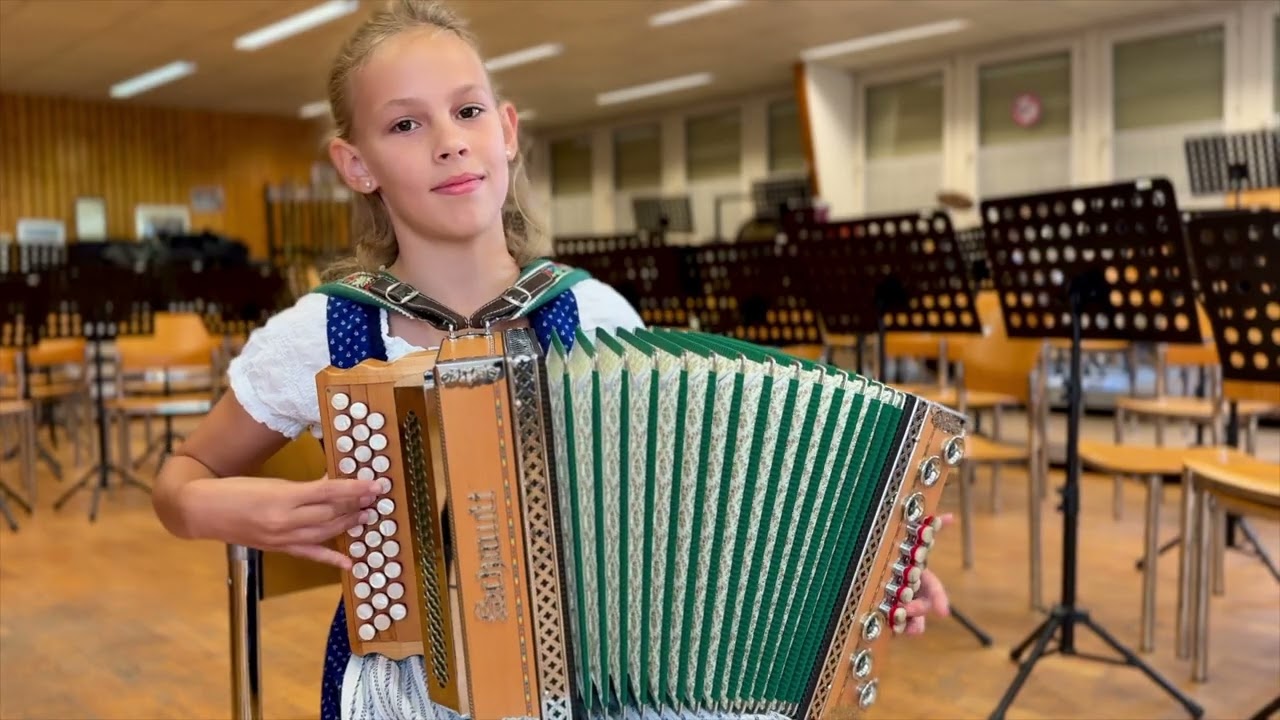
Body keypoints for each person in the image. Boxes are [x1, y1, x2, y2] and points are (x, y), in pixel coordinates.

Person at [152, 1, 952, 718]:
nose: (448, 142)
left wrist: (866, 577)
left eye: (466, 111)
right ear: (355, 165)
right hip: (412, 678)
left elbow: (695, 521)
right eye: (405, 125)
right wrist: (213, 509)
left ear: (505, 130)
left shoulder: (592, 316)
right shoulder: (326, 332)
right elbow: (183, 476)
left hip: (604, 667)